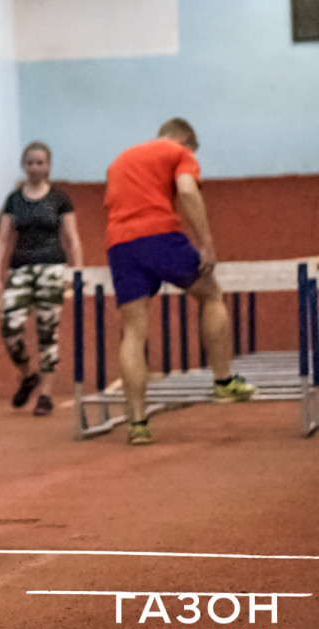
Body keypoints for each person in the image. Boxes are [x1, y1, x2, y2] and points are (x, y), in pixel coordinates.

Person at [104, 118, 257, 445]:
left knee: (133, 331)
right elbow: (187, 190)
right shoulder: (177, 152)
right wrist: (206, 242)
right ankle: (223, 382)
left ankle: (138, 423)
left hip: (119, 244)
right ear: (185, 139)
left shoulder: (120, 160)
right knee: (212, 294)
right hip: (159, 235)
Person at [0, 142, 83, 416]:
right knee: (10, 326)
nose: (35, 167)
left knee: (47, 331)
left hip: (52, 267)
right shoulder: (14, 199)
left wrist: (77, 270)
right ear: (24, 165)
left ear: (48, 166)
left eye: (40, 162)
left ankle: (45, 395)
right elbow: (2, 238)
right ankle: (28, 374)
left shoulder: (60, 199)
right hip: (19, 269)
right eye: (30, 162)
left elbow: (73, 238)